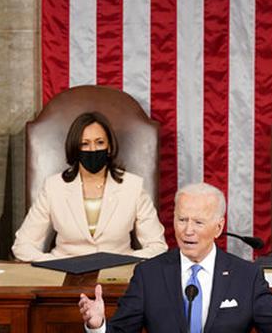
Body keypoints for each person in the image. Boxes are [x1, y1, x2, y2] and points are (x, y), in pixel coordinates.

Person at [79, 183, 272, 333]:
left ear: (218, 227)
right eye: (182, 220)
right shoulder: (149, 275)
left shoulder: (246, 277)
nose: (187, 230)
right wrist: (98, 326)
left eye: (198, 222)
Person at [12, 111, 167, 262]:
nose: (93, 149)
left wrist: (124, 263)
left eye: (99, 142)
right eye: (84, 144)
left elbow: (157, 246)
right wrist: (53, 263)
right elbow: (22, 245)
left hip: (117, 275)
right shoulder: (54, 187)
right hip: (65, 274)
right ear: (75, 148)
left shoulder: (133, 186)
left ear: (110, 147)